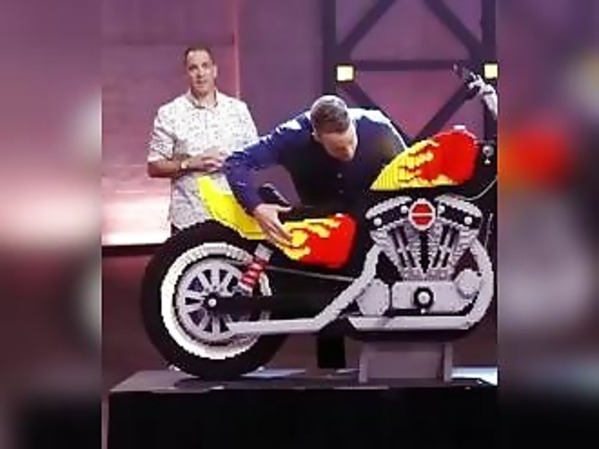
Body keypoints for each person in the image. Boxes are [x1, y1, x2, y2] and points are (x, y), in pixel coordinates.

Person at [223, 94, 408, 368]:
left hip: (372, 224)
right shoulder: (291, 136)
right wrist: (257, 207)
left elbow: (414, 176)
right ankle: (330, 378)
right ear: (317, 137)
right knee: (323, 302)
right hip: (322, 225)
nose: (348, 153)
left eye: (351, 143)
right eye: (338, 149)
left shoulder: (378, 127)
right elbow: (236, 162)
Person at [147, 44, 258, 234]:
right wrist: (189, 163)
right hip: (189, 219)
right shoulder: (170, 113)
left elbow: (256, 158)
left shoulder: (238, 110)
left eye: (205, 66)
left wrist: (230, 163)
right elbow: (154, 166)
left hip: (235, 217)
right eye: (193, 68)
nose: (200, 73)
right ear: (186, 74)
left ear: (214, 70)